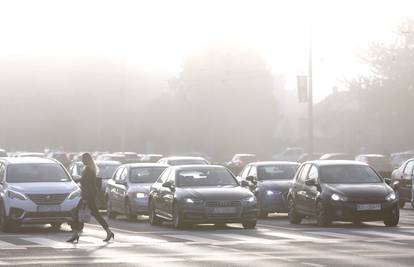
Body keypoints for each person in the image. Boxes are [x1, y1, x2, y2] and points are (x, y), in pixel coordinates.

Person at [67, 152, 114, 243]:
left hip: (87, 196)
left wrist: (85, 199)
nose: (82, 160)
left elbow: (88, 185)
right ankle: (109, 232)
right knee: (95, 215)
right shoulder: (89, 169)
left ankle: (75, 234)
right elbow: (87, 183)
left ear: (87, 160)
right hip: (88, 196)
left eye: (83, 159)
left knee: (76, 213)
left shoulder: (89, 170)